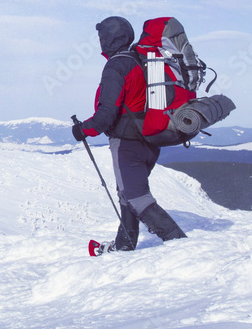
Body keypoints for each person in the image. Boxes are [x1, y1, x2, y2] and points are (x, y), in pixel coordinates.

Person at [72, 16, 187, 252]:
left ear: (107, 39)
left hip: (127, 142)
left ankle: (179, 245)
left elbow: (106, 115)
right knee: (127, 194)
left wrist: (83, 130)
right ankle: (124, 245)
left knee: (136, 197)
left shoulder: (117, 66)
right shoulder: (141, 60)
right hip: (150, 140)